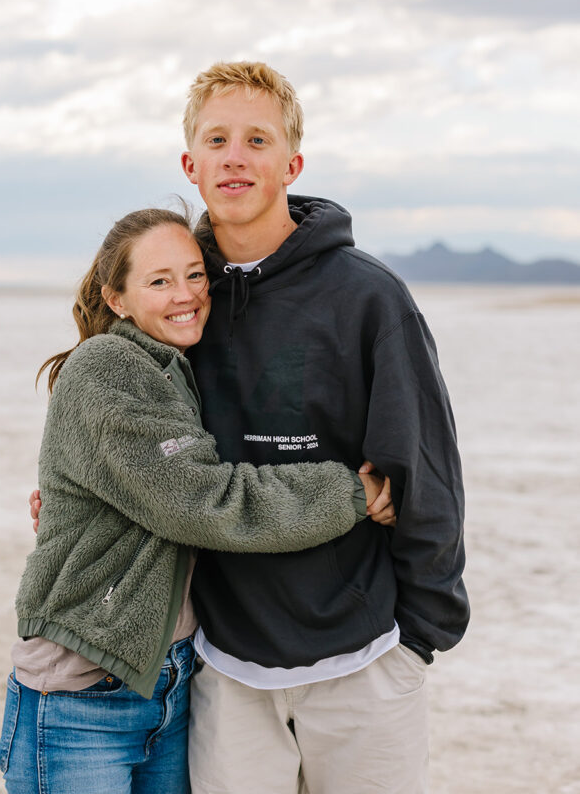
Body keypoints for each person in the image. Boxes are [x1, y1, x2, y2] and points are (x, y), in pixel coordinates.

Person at [3, 207, 395, 794]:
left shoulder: (174, 368)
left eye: (194, 275)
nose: (185, 294)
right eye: (159, 281)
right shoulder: (107, 367)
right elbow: (206, 501)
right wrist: (350, 492)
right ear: (117, 300)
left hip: (171, 684)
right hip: (80, 695)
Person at [177, 61, 469, 794]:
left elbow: (423, 470)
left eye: (256, 139)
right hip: (226, 663)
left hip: (363, 660)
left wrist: (419, 639)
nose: (234, 156)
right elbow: (133, 432)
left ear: (290, 163)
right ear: (191, 163)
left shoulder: (366, 297)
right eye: (216, 139)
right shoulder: (177, 300)